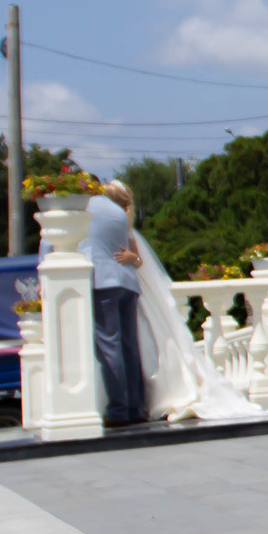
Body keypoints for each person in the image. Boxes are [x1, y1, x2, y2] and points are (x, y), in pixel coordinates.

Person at [99, 183, 267, 426]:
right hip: (128, 289)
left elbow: (138, 259)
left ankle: (140, 399)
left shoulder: (123, 227)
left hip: (132, 290)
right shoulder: (116, 225)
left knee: (137, 342)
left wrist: (131, 258)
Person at [85, 182, 149, 427]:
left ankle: (118, 409)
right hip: (127, 282)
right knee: (129, 347)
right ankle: (136, 406)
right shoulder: (116, 211)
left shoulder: (81, 209)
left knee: (109, 346)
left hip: (102, 282)